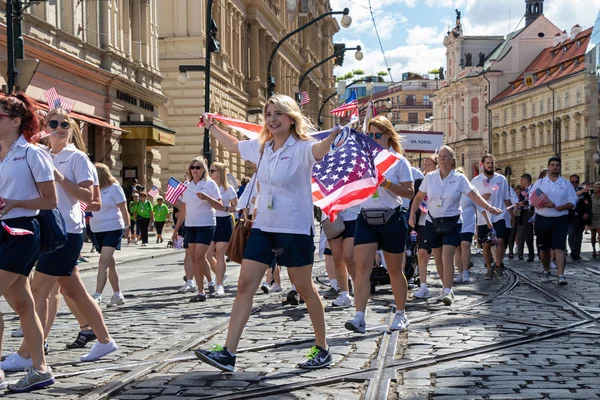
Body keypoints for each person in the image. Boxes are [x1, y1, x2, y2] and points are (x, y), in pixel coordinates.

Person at [195, 95, 340, 371]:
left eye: (278, 114)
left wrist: (332, 136)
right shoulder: (263, 148)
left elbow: (319, 151)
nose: (272, 120)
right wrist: (211, 127)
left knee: (304, 288)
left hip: (295, 228)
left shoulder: (302, 147)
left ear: (291, 118)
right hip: (264, 227)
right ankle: (228, 353)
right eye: (268, 114)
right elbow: (235, 146)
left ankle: (323, 348)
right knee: (245, 286)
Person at [3, 108, 117, 372]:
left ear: (72, 128)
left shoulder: (77, 158)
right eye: (53, 122)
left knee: (39, 291)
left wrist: (59, 177)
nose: (60, 127)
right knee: (73, 290)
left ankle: (29, 354)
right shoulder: (39, 153)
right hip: (50, 231)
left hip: (68, 231)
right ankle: (104, 339)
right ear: (45, 125)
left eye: (65, 123)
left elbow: (90, 198)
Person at [0, 93, 56, 392]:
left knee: (22, 304)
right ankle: (41, 368)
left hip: (21, 232)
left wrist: (13, 202)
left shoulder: (32, 153)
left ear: (17, 121)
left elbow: (50, 200)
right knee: (23, 305)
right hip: (3, 229)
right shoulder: (3, 152)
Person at [345, 115, 414, 333]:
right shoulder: (362, 159)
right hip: (366, 217)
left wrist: (386, 183)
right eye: (370, 135)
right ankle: (359, 317)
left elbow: (409, 191)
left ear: (388, 136)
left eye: (378, 135)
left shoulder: (398, 161)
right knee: (362, 268)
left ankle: (401, 314)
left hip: (391, 218)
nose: (373, 139)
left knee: (394, 270)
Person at [410, 146, 501, 305]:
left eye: (446, 157)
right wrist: (412, 214)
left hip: (452, 221)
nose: (443, 160)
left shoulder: (459, 178)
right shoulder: (430, 177)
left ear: (453, 160)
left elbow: (474, 195)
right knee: (437, 258)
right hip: (433, 221)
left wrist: (488, 207)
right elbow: (418, 197)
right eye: (441, 157)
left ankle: (447, 290)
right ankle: (445, 287)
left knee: (447, 256)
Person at [171, 156, 222, 302]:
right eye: (192, 167)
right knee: (194, 259)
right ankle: (202, 291)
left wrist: (206, 197)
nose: (195, 170)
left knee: (200, 256)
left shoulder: (210, 184)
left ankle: (210, 283)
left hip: (206, 224)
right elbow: (184, 209)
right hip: (190, 226)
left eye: (198, 167)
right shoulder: (187, 185)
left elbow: (219, 205)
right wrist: (176, 228)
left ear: (203, 170)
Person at [531, 157, 577, 285]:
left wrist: (563, 206)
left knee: (559, 246)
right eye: (552, 165)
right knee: (544, 249)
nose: (555, 167)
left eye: (557, 165)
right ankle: (546, 270)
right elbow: (532, 199)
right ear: (548, 166)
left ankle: (561, 274)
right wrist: (546, 204)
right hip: (543, 219)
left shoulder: (566, 183)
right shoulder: (540, 183)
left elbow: (573, 201)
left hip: (560, 219)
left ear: (560, 167)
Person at [90, 163, 130, 307]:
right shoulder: (93, 190)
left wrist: (128, 226)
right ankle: (118, 295)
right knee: (110, 263)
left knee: (103, 261)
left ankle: (97, 295)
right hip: (97, 229)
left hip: (113, 228)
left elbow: (123, 208)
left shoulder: (114, 188)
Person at [471, 154, 513, 279]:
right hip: (484, 217)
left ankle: (498, 265)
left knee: (500, 241)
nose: (490, 165)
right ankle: (489, 268)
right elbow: (471, 200)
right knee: (487, 244)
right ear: (482, 164)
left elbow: (506, 198)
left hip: (499, 216)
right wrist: (483, 198)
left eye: (492, 163)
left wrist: (511, 215)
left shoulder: (501, 179)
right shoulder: (476, 181)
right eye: (488, 163)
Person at [207, 161, 238, 296]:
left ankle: (219, 285)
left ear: (220, 172)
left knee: (220, 253)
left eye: (213, 170)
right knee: (208, 255)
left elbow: (237, 206)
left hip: (224, 220)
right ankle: (220, 275)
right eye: (210, 170)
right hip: (210, 221)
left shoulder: (228, 188)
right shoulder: (208, 187)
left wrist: (225, 208)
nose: (210, 173)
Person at [413, 155, 437, 299]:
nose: (426, 168)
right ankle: (423, 286)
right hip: (423, 222)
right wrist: (413, 215)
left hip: (438, 222)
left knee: (439, 255)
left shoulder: (440, 181)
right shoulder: (419, 182)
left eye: (429, 165)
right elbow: (414, 200)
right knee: (421, 253)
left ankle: (446, 287)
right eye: (425, 164)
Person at [454, 169, 477, 284]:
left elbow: (479, 207)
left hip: (468, 222)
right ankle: (459, 272)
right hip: (456, 223)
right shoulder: (452, 189)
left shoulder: (471, 189)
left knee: (465, 245)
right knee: (457, 248)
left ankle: (466, 271)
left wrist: (485, 222)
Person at [567, 174, 590, 260]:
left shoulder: (583, 191)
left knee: (579, 235)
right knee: (571, 235)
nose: (574, 183)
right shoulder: (568, 191)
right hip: (571, 217)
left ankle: (577, 252)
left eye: (576, 182)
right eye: (572, 182)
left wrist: (587, 213)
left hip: (580, 217)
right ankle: (573, 250)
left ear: (578, 182)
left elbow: (588, 203)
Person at [518, 174, 535, 262]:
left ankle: (531, 254)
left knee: (529, 235)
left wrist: (528, 203)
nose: (520, 182)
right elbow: (519, 200)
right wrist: (521, 203)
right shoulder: (522, 191)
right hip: (523, 214)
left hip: (531, 213)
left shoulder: (534, 189)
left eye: (521, 180)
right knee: (522, 234)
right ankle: (520, 253)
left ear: (526, 180)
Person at [589, 183, 600, 258]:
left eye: (597, 187)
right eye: (595, 187)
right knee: (593, 236)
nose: (595, 189)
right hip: (592, 218)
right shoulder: (591, 197)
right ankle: (594, 249)